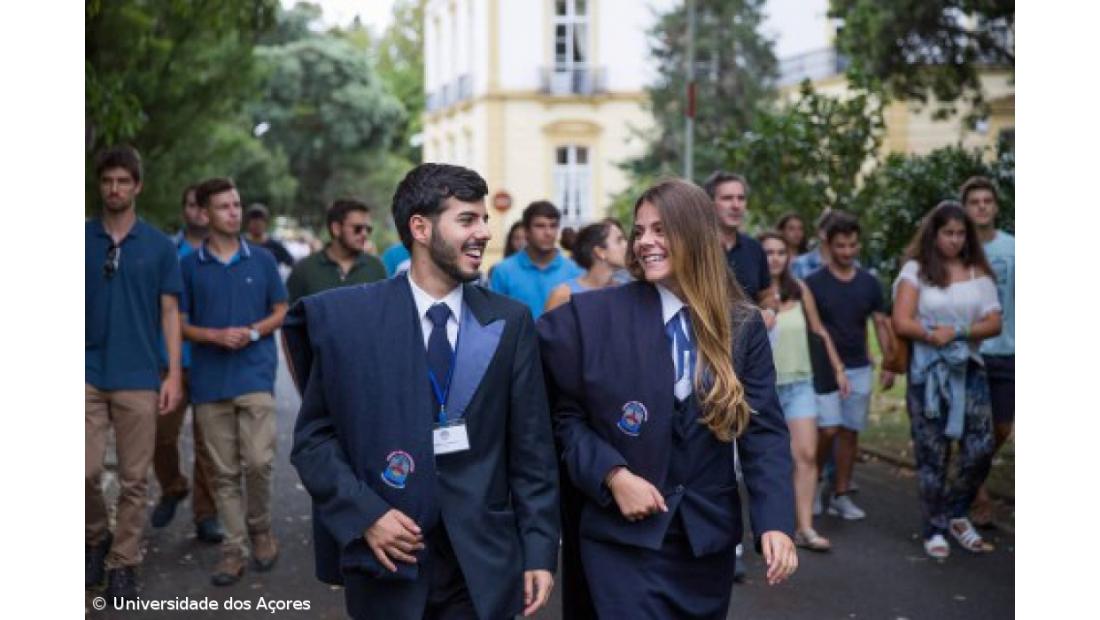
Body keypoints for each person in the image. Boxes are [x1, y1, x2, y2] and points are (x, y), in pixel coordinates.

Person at [283, 163, 560, 620]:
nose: (485, 233)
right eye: (468, 219)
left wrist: (538, 550)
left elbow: (532, 451)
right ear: (421, 228)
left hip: (481, 565)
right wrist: (366, 514)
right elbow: (315, 441)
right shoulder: (353, 322)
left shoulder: (509, 322)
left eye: (485, 219)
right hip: (388, 559)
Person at [538, 179, 797, 619]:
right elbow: (566, 418)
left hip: (704, 543)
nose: (645, 243)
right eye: (639, 232)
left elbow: (764, 432)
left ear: (694, 233)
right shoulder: (596, 316)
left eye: (660, 230)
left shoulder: (743, 325)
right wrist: (612, 473)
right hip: (620, 541)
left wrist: (775, 522)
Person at [86, 146, 184, 599]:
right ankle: (94, 537)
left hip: (140, 373)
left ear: (137, 186)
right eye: (107, 181)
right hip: (84, 370)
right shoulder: (80, 239)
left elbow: (169, 312)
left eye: (123, 181)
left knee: (133, 477)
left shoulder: (161, 247)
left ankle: (123, 560)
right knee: (81, 471)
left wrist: (173, 375)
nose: (114, 189)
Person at [180, 178, 289, 586]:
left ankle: (260, 528)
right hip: (209, 381)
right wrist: (212, 336)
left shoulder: (261, 260)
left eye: (236, 205)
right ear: (205, 214)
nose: (234, 212)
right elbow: (180, 323)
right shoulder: (188, 266)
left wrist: (254, 331)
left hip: (255, 374)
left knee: (259, 461)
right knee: (223, 473)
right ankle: (233, 547)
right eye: (224, 206)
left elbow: (282, 309)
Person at [891, 200, 1002, 559]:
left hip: (968, 369)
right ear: (934, 234)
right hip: (929, 373)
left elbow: (993, 321)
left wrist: (957, 331)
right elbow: (902, 320)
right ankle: (934, 526)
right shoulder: (916, 270)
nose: (954, 240)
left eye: (959, 233)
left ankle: (957, 511)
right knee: (932, 452)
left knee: (981, 447)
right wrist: (930, 334)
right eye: (947, 233)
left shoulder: (976, 271)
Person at [759, 231, 850, 552]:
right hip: (761, 389)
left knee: (807, 455)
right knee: (759, 461)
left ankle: (804, 528)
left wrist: (838, 369)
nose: (775, 258)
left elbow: (819, 331)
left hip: (800, 383)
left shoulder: (800, 290)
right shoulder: (750, 292)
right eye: (768, 252)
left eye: (781, 252)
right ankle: (763, 530)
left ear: (789, 257)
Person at [804, 211, 895, 521]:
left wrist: (889, 362)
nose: (847, 251)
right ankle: (813, 485)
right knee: (826, 430)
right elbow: (810, 328)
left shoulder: (869, 283)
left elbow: (880, 323)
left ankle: (841, 494)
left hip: (859, 367)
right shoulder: (812, 283)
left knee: (849, 432)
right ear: (828, 245)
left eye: (853, 245)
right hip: (823, 371)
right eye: (840, 245)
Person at [150, 184, 224, 544]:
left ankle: (205, 514)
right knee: (158, 435)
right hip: (169, 361)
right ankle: (172, 485)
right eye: (190, 205)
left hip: (211, 361)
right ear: (184, 211)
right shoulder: (166, 251)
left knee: (207, 444)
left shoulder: (220, 254)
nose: (196, 211)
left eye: (201, 205)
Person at [961, 177, 1014, 527]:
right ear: (965, 208)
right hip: (967, 352)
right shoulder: (956, 248)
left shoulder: (1013, 248)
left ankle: (968, 477)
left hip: (1008, 349)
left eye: (987, 201)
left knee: (1002, 427)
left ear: (995, 206)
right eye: (974, 201)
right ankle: (976, 494)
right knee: (971, 428)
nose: (981, 206)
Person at [489, 200, 583, 319]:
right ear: (526, 231)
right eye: (540, 226)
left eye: (553, 226)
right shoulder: (503, 271)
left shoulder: (575, 271)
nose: (548, 232)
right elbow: (494, 319)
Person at [701, 171, 777, 312]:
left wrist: (769, 312)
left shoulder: (755, 248)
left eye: (741, 198)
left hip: (750, 330)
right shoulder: (695, 247)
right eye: (727, 198)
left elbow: (767, 296)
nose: (736, 205)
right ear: (709, 204)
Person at [286, 198, 387, 304]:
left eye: (368, 229)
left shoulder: (376, 268)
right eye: (358, 228)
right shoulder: (305, 270)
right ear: (336, 229)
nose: (364, 234)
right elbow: (291, 315)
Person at [543, 218, 628, 313]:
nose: (627, 245)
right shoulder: (563, 295)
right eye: (619, 240)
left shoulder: (625, 291)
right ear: (600, 252)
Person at [245, 203, 295, 269]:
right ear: (248, 223)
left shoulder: (275, 246)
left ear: (266, 223)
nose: (257, 222)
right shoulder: (239, 244)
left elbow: (292, 263)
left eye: (261, 219)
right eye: (254, 219)